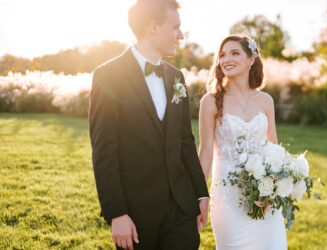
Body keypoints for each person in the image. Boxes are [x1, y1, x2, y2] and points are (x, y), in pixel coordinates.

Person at [89, 1, 209, 249]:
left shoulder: (176, 76)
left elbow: (185, 139)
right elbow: (104, 151)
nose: (181, 35)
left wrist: (200, 192)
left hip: (181, 209)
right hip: (136, 214)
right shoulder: (107, 76)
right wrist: (116, 213)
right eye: (175, 27)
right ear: (154, 27)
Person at [198, 34, 287, 249]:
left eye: (235, 53)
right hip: (228, 200)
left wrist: (271, 189)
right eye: (222, 55)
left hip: (264, 198)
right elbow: (206, 153)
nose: (226, 59)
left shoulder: (266, 101)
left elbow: (273, 149)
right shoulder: (210, 101)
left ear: (251, 59)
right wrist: (201, 196)